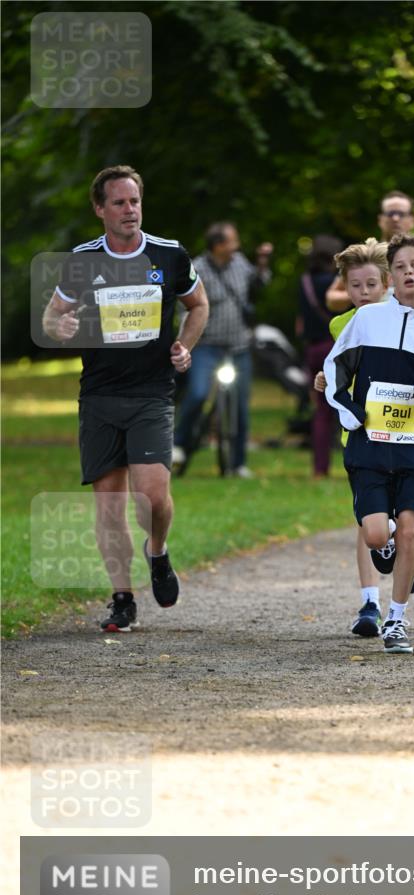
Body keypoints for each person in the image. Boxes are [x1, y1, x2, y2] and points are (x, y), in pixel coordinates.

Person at [42, 164, 209, 631]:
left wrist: (185, 346)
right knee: (110, 505)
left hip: (152, 392)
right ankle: (122, 598)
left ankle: (157, 550)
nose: (129, 210)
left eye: (134, 201)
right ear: (100, 209)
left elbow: (199, 305)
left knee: (153, 496)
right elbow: (52, 318)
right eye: (118, 202)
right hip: (99, 395)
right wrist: (63, 327)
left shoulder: (169, 255)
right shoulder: (82, 260)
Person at [324, 234, 414, 653]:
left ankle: (396, 620)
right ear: (391, 277)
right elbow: (335, 367)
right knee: (375, 536)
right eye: (400, 266)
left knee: (409, 532)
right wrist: (348, 409)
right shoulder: (367, 321)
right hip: (369, 445)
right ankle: (391, 539)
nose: (408, 272)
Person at [313, 238, 395, 637]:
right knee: (366, 521)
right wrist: (326, 379)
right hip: (360, 438)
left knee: (398, 521)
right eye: (355, 287)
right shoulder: (339, 325)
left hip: (401, 434)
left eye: (371, 286)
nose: (362, 295)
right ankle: (369, 604)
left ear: (387, 284)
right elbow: (340, 371)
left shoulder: (406, 321)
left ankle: (410, 543)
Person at [172, 221, 273, 478]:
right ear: (218, 245)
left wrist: (262, 263)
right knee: (197, 393)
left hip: (238, 347)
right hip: (207, 347)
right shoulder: (197, 268)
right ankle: (179, 445)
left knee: (240, 405)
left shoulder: (239, 262)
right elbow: (184, 308)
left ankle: (238, 464)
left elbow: (258, 285)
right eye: (232, 241)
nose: (237, 245)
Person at [296, 235, 344, 477]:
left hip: (313, 350)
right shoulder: (337, 283)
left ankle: (320, 468)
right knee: (348, 406)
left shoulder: (304, 281)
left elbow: (301, 321)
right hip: (335, 347)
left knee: (321, 411)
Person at [325, 190, 414, 313]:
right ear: (380, 219)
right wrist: (364, 291)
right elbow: (332, 299)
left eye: (401, 214)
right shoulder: (368, 255)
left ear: (412, 220)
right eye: (390, 213)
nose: (395, 218)